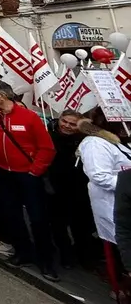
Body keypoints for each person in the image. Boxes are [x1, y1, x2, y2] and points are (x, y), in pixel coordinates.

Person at [0, 81, 58, 281]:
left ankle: (46, 261)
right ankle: (23, 252)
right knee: (12, 215)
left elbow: (46, 148)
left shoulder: (29, 117)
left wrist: (34, 171)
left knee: (37, 218)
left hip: (27, 175)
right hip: (2, 172)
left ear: (2, 95)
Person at [77, 118, 131, 298]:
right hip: (112, 205)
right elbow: (99, 176)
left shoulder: (120, 142)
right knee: (120, 245)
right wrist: (127, 185)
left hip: (125, 202)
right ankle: (121, 287)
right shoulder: (95, 143)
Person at [46, 110, 98, 268]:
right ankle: (65, 255)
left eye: (72, 124)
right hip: (54, 187)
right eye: (65, 121)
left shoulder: (86, 141)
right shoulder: (49, 134)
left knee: (81, 227)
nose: (67, 126)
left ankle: (84, 258)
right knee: (58, 225)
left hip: (79, 189)